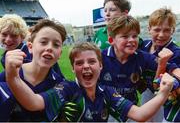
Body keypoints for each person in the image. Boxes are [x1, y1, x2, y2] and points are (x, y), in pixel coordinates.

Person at [5, 42, 175, 122]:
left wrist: (163, 92)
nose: (86, 67)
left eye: (91, 62)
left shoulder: (107, 91)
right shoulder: (67, 89)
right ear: (73, 69)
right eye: (79, 63)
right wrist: (13, 76)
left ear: (100, 66)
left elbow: (139, 115)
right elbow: (33, 103)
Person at [0, 19, 66, 121]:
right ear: (30, 47)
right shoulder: (4, 77)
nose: (49, 48)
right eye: (43, 42)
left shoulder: (60, 84)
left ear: (60, 54)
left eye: (56, 45)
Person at [140, 7, 180, 122]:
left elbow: (160, 86)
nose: (161, 35)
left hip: (164, 95)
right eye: (157, 30)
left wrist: (162, 63)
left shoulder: (175, 53)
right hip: (146, 91)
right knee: (144, 119)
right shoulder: (144, 45)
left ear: (172, 30)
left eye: (166, 30)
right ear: (149, 29)